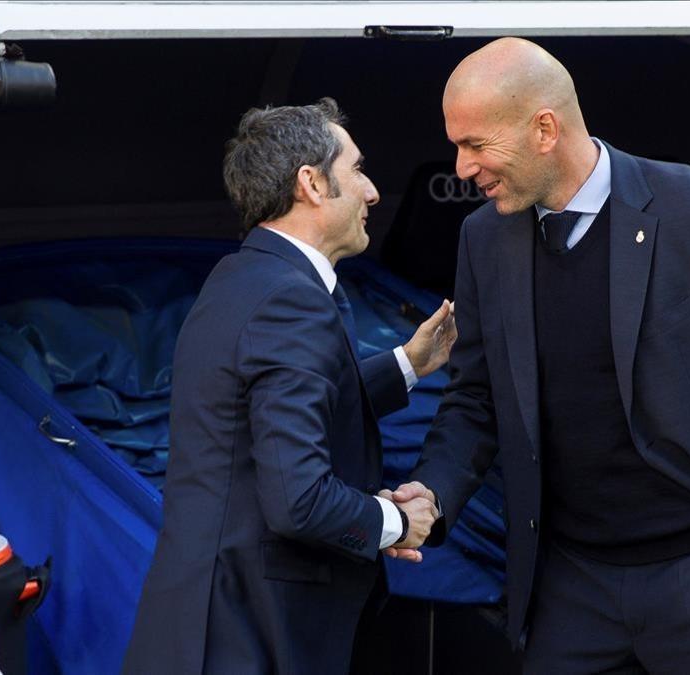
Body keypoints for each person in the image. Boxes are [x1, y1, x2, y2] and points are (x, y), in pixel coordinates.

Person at [392, 38, 690, 673]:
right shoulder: (483, 237)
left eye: (476, 145)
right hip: (570, 589)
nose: (460, 168)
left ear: (544, 129)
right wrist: (433, 491)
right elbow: (475, 400)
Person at [122, 99, 456, 675]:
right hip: (250, 632)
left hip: (210, 621)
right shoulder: (291, 299)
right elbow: (298, 500)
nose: (373, 192)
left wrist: (406, 363)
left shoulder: (245, 275)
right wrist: (398, 523)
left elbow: (264, 415)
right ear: (311, 184)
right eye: (356, 170)